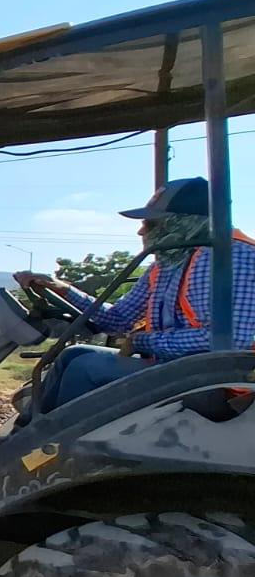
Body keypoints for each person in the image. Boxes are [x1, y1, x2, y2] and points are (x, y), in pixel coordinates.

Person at [15, 176, 255, 413]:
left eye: (150, 223)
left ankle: (50, 448)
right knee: (73, 354)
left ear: (181, 223)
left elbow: (232, 342)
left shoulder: (229, 257)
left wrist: (142, 341)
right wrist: (63, 289)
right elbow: (117, 319)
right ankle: (21, 438)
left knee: (86, 368)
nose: (141, 231)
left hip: (226, 385)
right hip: (182, 369)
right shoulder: (169, 262)